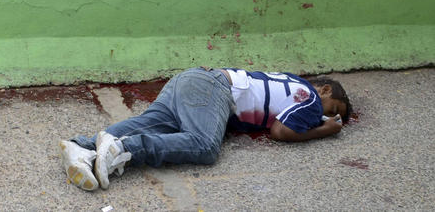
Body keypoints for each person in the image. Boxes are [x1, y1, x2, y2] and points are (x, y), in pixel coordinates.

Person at [59, 67, 351, 192]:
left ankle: (82, 148)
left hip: (194, 82)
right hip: (214, 90)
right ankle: (123, 150)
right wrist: (327, 130)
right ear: (324, 90)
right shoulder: (310, 99)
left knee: (156, 124)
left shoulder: (290, 81)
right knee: (204, 145)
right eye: (333, 110)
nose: (328, 117)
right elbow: (281, 131)